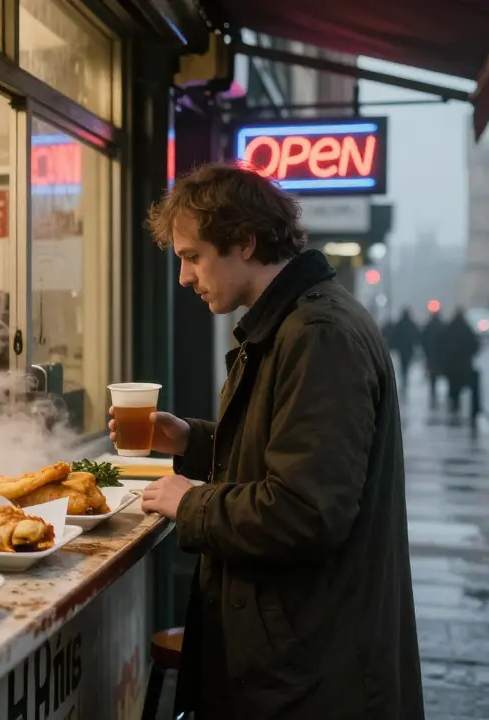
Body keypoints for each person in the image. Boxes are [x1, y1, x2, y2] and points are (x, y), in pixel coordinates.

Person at [126, 164, 422, 719]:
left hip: (313, 672)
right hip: (299, 654)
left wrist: (189, 501)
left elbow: (305, 510)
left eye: (192, 257)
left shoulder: (318, 336)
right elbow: (282, 449)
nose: (184, 278)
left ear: (245, 241)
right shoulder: (293, 323)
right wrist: (190, 439)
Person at [441, 307, 481, 416]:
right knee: (468, 384)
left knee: (453, 387)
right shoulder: (467, 328)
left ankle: (455, 405)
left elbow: (442, 345)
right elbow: (475, 345)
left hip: (451, 365)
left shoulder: (449, 328)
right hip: (464, 364)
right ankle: (474, 410)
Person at [389, 307, 422, 391]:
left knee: (403, 364)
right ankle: (405, 377)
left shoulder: (400, 324)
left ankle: (404, 377)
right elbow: (416, 334)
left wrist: (394, 345)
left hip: (401, 348)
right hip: (408, 348)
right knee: (406, 364)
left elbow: (394, 335)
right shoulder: (411, 324)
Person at [420, 309, 445, 409]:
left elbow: (423, 340)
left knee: (432, 378)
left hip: (431, 355)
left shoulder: (428, 326)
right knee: (439, 375)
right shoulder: (442, 326)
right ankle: (437, 394)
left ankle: (433, 394)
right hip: (440, 355)